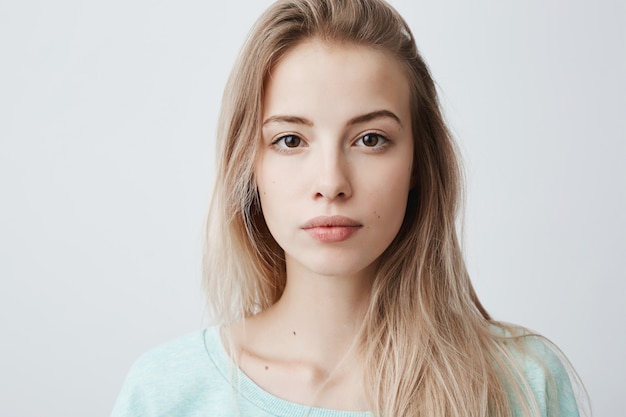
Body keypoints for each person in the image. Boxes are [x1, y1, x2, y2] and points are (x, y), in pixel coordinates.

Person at [112, 0, 587, 416]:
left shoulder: (523, 385)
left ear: (418, 164)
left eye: (370, 139)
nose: (331, 183)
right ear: (248, 166)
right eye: (290, 139)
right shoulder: (164, 394)